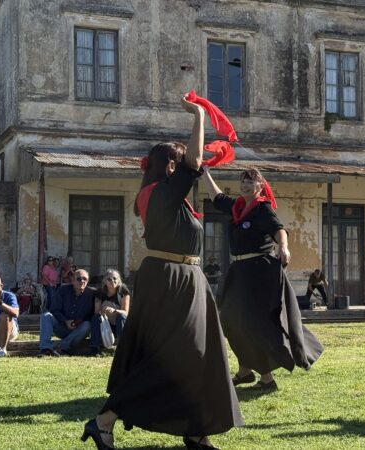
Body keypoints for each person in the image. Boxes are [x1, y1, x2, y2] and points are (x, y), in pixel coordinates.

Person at [83, 96, 243, 450]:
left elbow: (195, 165)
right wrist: (200, 116)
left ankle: (195, 430)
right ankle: (103, 421)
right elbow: (194, 161)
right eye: (178, 162)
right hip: (171, 280)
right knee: (168, 357)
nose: (185, 167)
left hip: (185, 280)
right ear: (169, 166)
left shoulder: (164, 195)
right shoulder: (159, 193)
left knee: (201, 354)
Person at [201, 165, 324, 392]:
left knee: (253, 323)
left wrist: (284, 247)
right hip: (239, 271)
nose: (245, 184)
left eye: (250, 181)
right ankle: (246, 371)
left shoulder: (262, 209)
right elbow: (217, 197)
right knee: (229, 319)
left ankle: (265, 377)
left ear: (260, 186)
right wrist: (205, 173)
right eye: (243, 181)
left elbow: (279, 230)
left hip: (260, 271)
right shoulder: (238, 207)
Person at [38, 269, 95, 356]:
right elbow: (54, 309)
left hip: (78, 331)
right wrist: (65, 321)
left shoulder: (92, 294)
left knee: (87, 325)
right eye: (79, 279)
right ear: (72, 280)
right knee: (46, 316)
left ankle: (61, 347)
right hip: (61, 326)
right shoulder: (63, 290)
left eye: (85, 279)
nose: (82, 281)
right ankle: (46, 349)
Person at [88, 269, 130, 356]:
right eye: (109, 279)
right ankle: (94, 348)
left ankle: (122, 348)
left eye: (115, 278)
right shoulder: (100, 292)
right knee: (96, 318)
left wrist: (115, 311)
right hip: (105, 325)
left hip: (119, 325)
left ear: (119, 280)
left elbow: (126, 312)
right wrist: (102, 311)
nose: (113, 281)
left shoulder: (123, 291)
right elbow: (96, 312)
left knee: (121, 316)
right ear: (105, 281)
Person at [0, 274, 19, 357]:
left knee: (5, 315)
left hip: (7, 331)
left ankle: (2, 349)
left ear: (1, 286)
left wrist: (0, 303)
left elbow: (16, 313)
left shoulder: (9, 296)